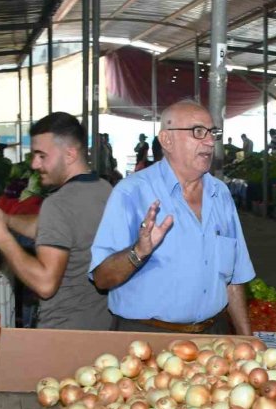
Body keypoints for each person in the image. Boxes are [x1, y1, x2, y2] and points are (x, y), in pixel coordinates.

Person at [90, 100, 255, 335]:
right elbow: (102, 278)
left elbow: (235, 278)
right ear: (167, 140)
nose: (210, 142)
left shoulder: (220, 194)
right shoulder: (131, 193)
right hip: (147, 336)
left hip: (214, 335)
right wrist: (138, 252)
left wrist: (247, 339)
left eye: (212, 133)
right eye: (198, 132)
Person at [0, 112, 111, 330]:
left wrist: (2, 239)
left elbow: (45, 284)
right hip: (100, 325)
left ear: (70, 154)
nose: (34, 164)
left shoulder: (58, 203)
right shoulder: (103, 189)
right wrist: (6, 219)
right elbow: (53, 229)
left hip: (62, 332)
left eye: (42, 156)